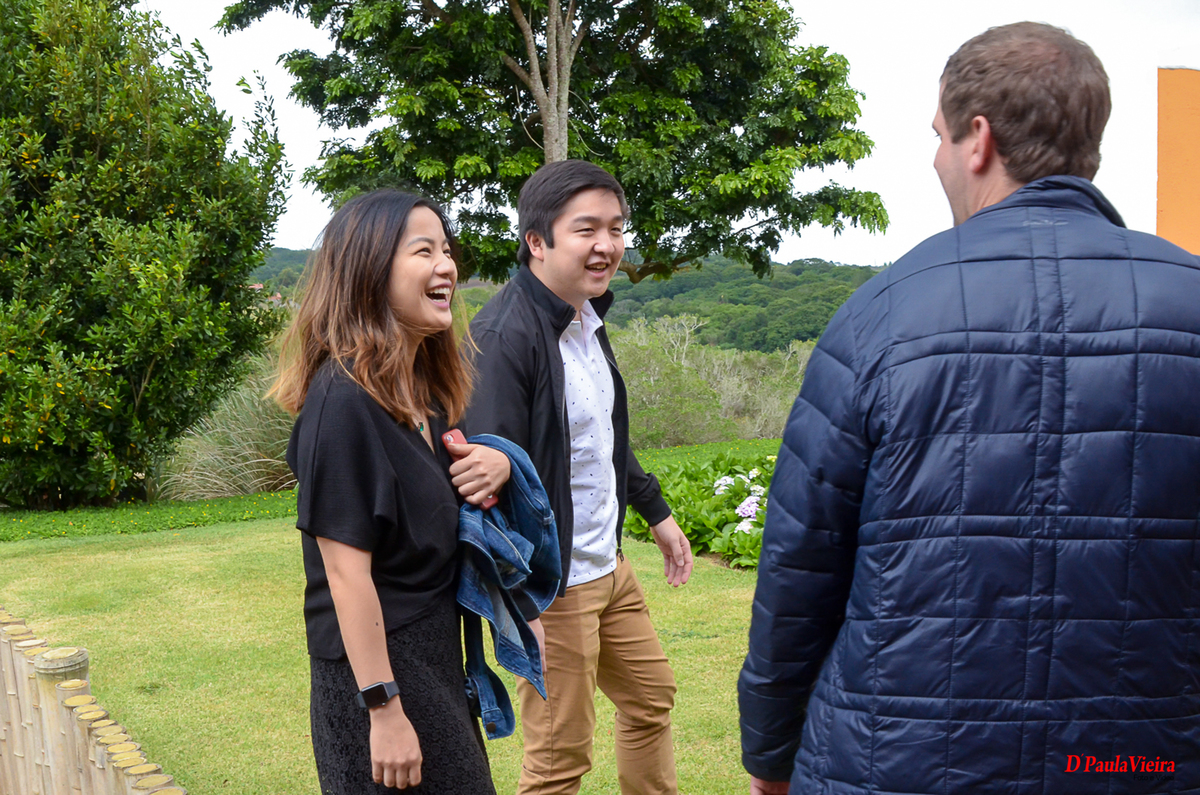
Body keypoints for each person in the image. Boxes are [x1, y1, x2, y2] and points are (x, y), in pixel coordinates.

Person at [739, 22, 1200, 795]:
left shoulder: (882, 313)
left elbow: (801, 564)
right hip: (1140, 764)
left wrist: (769, 751)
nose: (936, 158)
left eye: (938, 136)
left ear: (978, 139)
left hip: (900, 765)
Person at [463, 159, 694, 795]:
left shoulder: (585, 320)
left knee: (650, 698)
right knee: (559, 757)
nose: (607, 245)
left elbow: (601, 440)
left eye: (616, 228)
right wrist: (519, 603)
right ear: (537, 241)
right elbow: (482, 487)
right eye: (586, 229)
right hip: (552, 583)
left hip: (607, 566)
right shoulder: (504, 336)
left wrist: (656, 513)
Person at [276, 189, 511, 793]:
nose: (446, 266)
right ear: (370, 271)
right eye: (423, 251)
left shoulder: (420, 395)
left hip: (434, 657)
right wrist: (383, 709)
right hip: (381, 677)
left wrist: (498, 464)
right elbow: (344, 574)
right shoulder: (342, 402)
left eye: (446, 250)